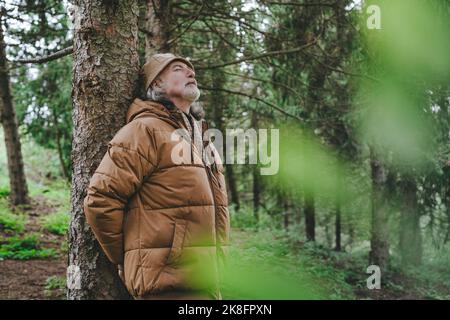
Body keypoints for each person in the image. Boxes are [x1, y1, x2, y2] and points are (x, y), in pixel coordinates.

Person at [83, 53, 230, 300]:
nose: (191, 73)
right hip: (167, 285)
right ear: (155, 84)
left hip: (206, 282)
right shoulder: (145, 130)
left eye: (191, 69)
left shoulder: (202, 140)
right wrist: (130, 256)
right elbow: (100, 200)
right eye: (178, 69)